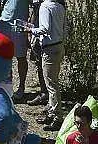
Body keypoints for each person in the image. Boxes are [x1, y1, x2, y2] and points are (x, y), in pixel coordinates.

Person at [30, 0, 66, 131]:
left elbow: (44, 29)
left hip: (49, 48)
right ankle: (51, 113)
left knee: (51, 85)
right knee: (52, 82)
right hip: (59, 46)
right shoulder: (60, 6)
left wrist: (29, 30)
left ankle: (57, 117)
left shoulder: (45, 6)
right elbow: (65, 29)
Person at [0, 0, 30, 102]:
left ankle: (21, 87)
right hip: (4, 24)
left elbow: (35, 7)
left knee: (21, 57)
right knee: (5, 57)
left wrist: (30, 26)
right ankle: (7, 87)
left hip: (20, 24)